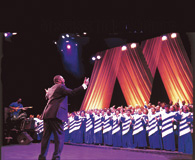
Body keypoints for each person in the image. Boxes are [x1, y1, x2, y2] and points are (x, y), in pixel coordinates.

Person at [38, 75, 89, 160]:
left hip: (47, 115)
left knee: (45, 138)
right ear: (59, 80)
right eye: (62, 78)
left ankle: (42, 157)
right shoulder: (61, 87)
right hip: (55, 115)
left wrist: (47, 93)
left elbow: (47, 96)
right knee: (59, 137)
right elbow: (72, 92)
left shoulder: (51, 89)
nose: (64, 79)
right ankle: (56, 157)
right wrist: (84, 85)